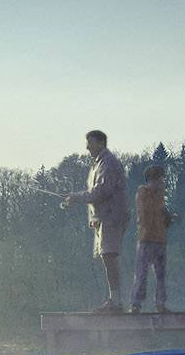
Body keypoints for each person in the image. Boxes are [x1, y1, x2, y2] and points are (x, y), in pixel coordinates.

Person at [61, 129, 129, 313]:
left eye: (90, 143)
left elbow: (101, 191)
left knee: (109, 256)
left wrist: (75, 196)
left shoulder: (108, 163)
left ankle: (115, 302)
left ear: (100, 143)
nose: (87, 147)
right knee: (106, 257)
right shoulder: (98, 164)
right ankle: (113, 301)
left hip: (111, 217)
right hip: (103, 219)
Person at [129, 164, 175, 313]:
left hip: (160, 239)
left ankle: (160, 304)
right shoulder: (143, 193)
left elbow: (161, 216)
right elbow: (145, 214)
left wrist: (168, 217)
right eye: (160, 180)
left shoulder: (160, 196)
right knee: (141, 273)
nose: (162, 183)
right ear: (152, 180)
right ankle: (136, 304)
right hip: (146, 239)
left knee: (161, 275)